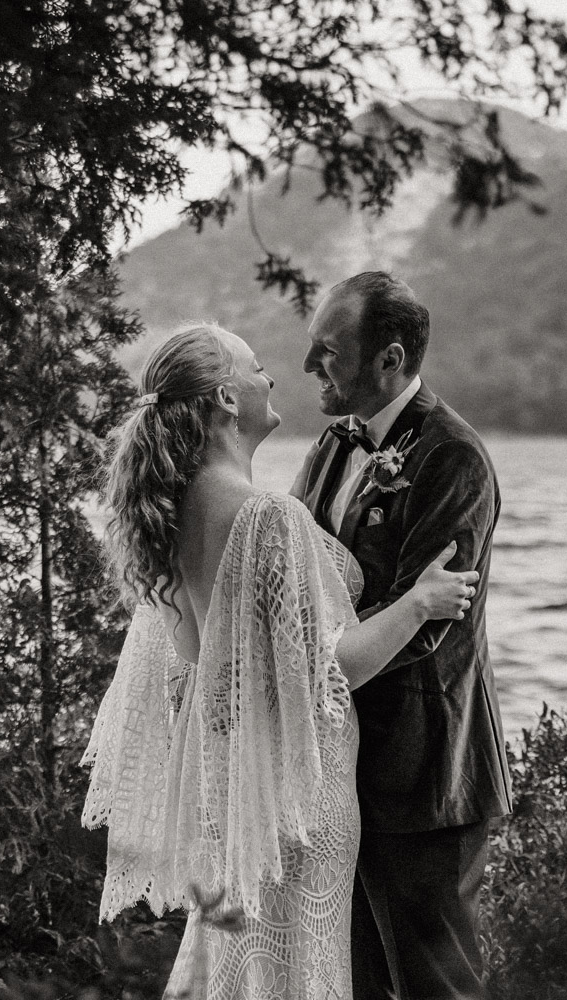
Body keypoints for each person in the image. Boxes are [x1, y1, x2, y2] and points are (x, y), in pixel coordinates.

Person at [81, 323, 479, 1000]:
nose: (270, 379)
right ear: (228, 400)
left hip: (226, 798)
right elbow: (328, 673)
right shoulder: (264, 515)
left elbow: (204, 675)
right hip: (295, 806)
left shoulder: (170, 517)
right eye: (256, 368)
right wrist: (420, 602)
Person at [290, 272, 511, 1000]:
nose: (307, 365)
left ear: (387, 359)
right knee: (356, 980)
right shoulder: (331, 445)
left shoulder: (453, 457)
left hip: (423, 777)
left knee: (436, 985)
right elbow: (293, 566)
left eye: (328, 350)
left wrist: (315, 669)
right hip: (339, 767)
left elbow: (427, 622)